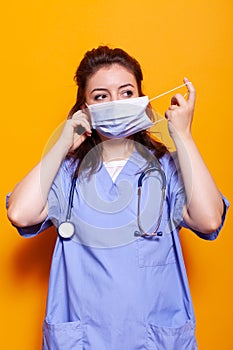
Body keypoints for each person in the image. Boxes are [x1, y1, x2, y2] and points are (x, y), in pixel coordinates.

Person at [7, 46, 228, 349]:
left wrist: (183, 137)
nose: (115, 103)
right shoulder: (67, 173)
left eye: (126, 93)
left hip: (154, 340)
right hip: (83, 340)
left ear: (141, 99)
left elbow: (208, 219)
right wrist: (62, 144)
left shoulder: (167, 168)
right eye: (101, 96)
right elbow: (20, 213)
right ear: (84, 109)